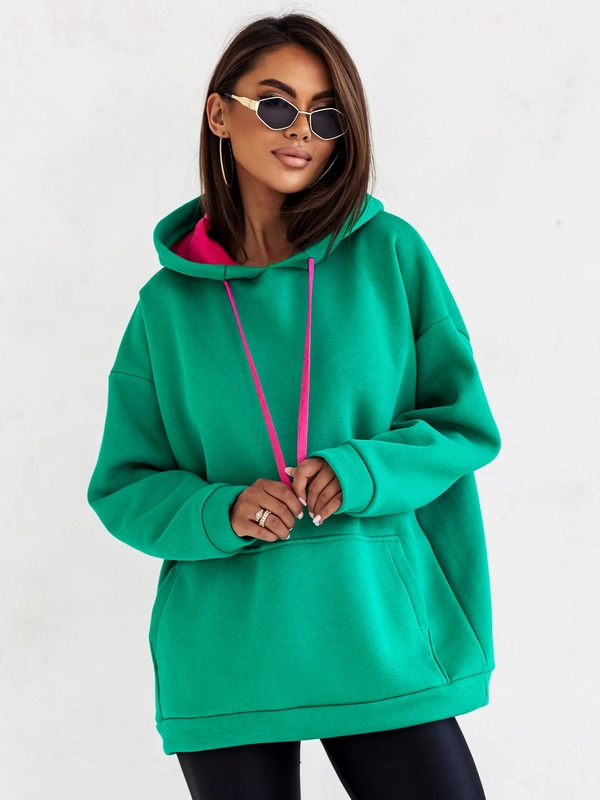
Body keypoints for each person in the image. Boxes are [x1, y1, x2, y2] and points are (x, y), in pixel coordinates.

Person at [87, 12, 501, 800]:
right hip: (227, 650)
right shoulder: (166, 308)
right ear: (220, 114)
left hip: (377, 631)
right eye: (276, 105)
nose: (302, 130)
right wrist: (221, 510)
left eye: (326, 113)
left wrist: (361, 471)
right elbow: (124, 484)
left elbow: (462, 424)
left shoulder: (390, 255)